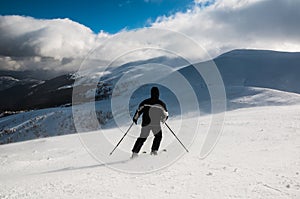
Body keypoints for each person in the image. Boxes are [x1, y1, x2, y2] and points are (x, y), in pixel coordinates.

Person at [131, 86, 168, 158]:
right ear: (158, 94)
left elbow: (139, 111)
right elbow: (165, 114)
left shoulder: (145, 102)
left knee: (142, 138)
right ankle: (154, 151)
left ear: (151, 93)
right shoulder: (161, 103)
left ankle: (134, 153)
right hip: (155, 124)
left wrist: (135, 118)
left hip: (146, 123)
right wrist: (163, 119)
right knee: (158, 136)